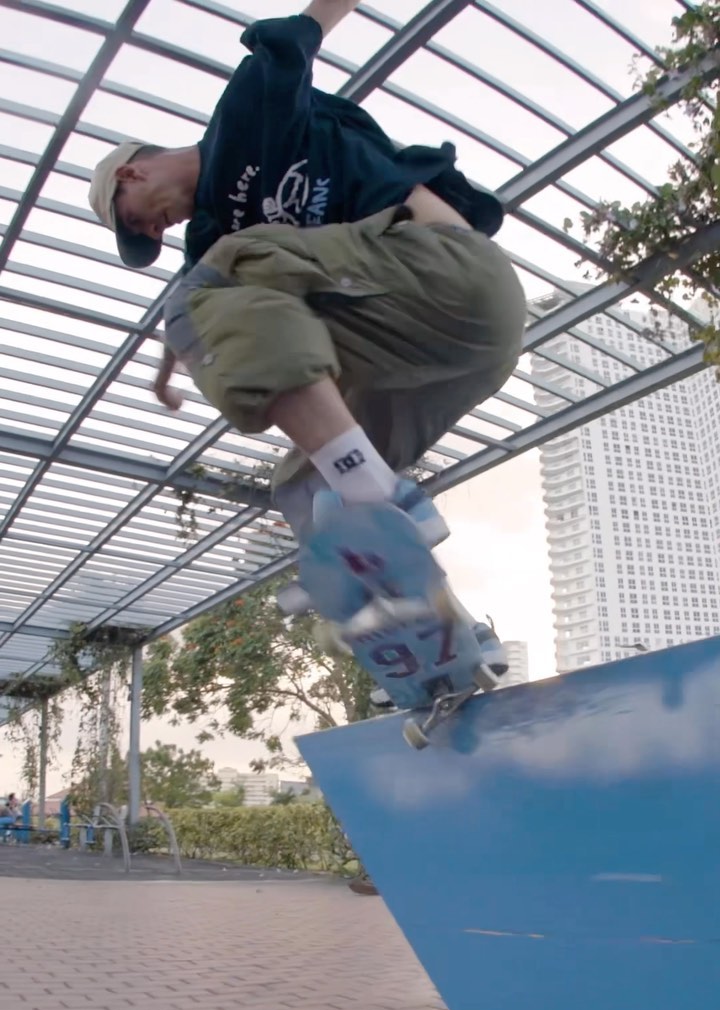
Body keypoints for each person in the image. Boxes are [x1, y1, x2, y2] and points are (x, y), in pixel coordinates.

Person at [88, 1, 526, 667]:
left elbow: (310, 25)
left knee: (211, 281)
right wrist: (167, 365)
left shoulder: (244, 115)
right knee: (307, 491)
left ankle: (378, 488)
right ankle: (449, 639)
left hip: (455, 278)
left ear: (131, 173)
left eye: (136, 221)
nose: (154, 231)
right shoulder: (210, 243)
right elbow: (196, 315)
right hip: (425, 353)